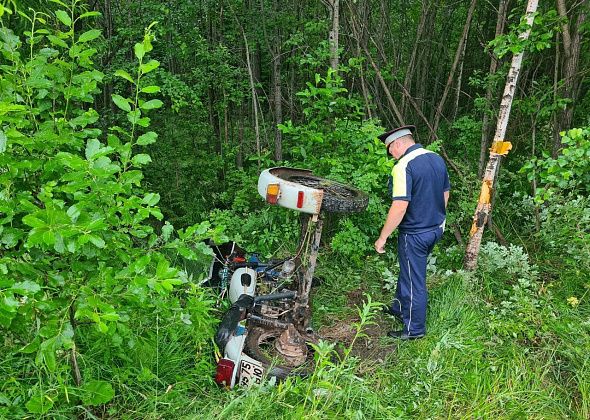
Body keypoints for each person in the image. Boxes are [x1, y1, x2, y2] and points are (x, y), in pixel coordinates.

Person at [374, 125, 450, 340]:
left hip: (414, 234)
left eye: (390, 149)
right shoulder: (435, 158)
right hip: (435, 229)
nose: (390, 154)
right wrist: (436, 217)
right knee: (408, 270)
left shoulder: (403, 166)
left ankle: (414, 330)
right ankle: (399, 307)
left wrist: (383, 237)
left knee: (415, 280)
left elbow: (399, 206)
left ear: (398, 143)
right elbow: (445, 192)